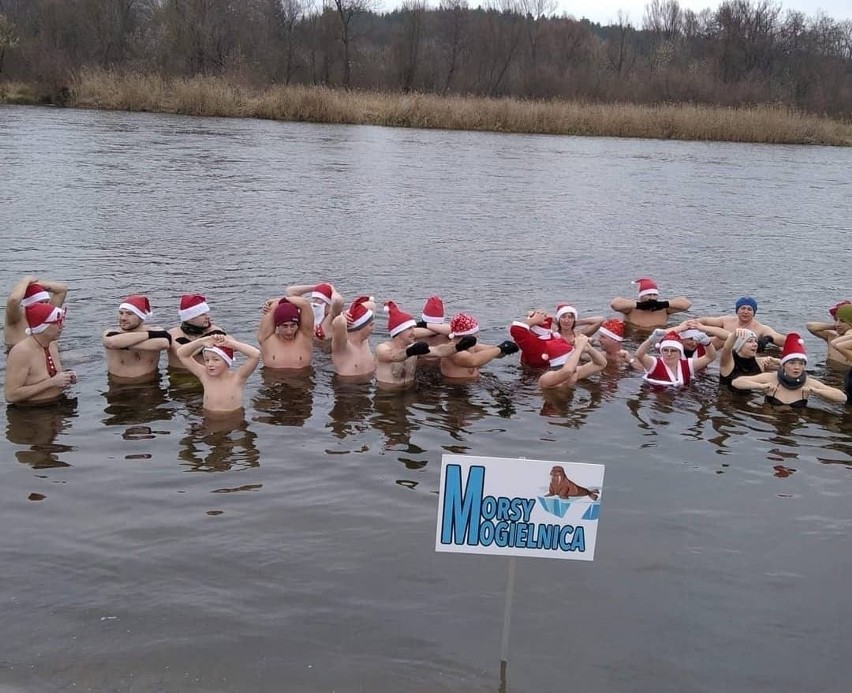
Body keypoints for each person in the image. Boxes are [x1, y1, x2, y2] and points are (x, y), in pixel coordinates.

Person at [375, 300, 474, 389]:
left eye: (413, 328)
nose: (414, 332)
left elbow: (438, 351)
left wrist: (458, 347)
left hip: (410, 393)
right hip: (387, 396)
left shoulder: (412, 347)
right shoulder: (382, 347)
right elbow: (392, 356)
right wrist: (410, 351)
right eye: (410, 329)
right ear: (398, 332)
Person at [732, 333, 847, 407]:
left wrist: (817, 391)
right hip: (771, 424)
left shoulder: (808, 383)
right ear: (783, 365)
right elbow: (736, 382)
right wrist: (761, 386)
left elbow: (842, 397)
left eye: (801, 364)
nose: (797, 367)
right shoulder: (771, 378)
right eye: (792, 363)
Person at [5, 303, 76, 405]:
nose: (62, 326)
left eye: (62, 321)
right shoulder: (21, 352)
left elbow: (51, 377)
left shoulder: (52, 344)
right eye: (57, 322)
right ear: (42, 327)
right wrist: (51, 383)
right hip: (32, 412)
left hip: (59, 404)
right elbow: (10, 395)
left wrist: (67, 377)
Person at [176, 333, 261, 414]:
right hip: (209, 419)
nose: (210, 364)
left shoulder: (237, 378)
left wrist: (230, 343)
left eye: (216, 360)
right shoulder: (204, 375)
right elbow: (181, 354)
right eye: (207, 360)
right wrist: (201, 341)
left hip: (233, 418)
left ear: (227, 361)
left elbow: (255, 355)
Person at [101, 295, 172, 382]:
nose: (123, 318)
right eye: (121, 313)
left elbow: (164, 343)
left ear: (141, 317)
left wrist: (123, 344)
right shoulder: (110, 332)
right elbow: (111, 343)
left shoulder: (156, 330)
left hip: (150, 384)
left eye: (129, 314)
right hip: (118, 385)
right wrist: (150, 335)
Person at [439, 313, 519, 380]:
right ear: (469, 335)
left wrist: (510, 347)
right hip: (455, 389)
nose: (478, 335)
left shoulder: (472, 346)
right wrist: (500, 348)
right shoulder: (451, 350)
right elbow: (472, 361)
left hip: (471, 384)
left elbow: (494, 353)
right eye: (476, 333)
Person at [633, 327, 717, 387]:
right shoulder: (654, 364)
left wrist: (708, 343)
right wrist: (651, 340)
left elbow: (710, 357)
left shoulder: (687, 365)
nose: (669, 354)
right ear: (661, 351)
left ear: (680, 353)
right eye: (665, 350)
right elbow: (639, 355)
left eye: (673, 351)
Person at [5, 275, 68, 349]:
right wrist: (26, 280)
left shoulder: (48, 315)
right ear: (29, 306)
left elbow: (62, 289)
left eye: (46, 302)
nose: (45, 306)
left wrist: (34, 285)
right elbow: (14, 300)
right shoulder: (16, 319)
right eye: (41, 302)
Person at [698, 296, 784, 351]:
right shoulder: (726, 320)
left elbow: (779, 338)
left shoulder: (761, 328)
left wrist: (769, 338)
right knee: (719, 339)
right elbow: (705, 321)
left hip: (745, 358)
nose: (745, 312)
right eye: (743, 308)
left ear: (754, 313)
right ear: (737, 310)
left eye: (749, 309)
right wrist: (691, 324)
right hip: (722, 355)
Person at [168, 294, 226, 369]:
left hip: (208, 375)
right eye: (202, 315)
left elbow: (233, 346)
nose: (207, 317)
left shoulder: (213, 330)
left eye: (206, 313)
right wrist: (204, 342)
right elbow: (182, 353)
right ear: (190, 318)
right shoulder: (174, 334)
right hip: (180, 376)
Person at [257, 295, 315, 369]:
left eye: (293, 325)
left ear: (298, 324)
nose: (289, 331)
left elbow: (305, 304)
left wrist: (282, 300)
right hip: (274, 379)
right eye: (284, 326)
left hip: (302, 379)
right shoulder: (266, 338)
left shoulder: (305, 336)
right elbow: (273, 306)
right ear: (277, 325)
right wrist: (275, 302)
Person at [609, 277, 691, 328]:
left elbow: (687, 304)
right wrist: (639, 305)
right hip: (636, 336)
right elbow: (615, 304)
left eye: (654, 295)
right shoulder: (631, 309)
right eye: (648, 295)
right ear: (641, 296)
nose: (652, 298)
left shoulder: (664, 309)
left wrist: (664, 304)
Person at [539, 334, 607, 390]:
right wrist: (579, 348)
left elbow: (601, 364)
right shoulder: (546, 378)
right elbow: (567, 371)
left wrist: (589, 349)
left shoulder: (574, 373)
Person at [331, 295, 376, 378]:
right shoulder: (343, 347)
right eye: (371, 325)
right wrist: (343, 315)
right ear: (361, 327)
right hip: (348, 387)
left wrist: (352, 311)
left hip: (369, 384)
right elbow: (338, 322)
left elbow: (372, 305)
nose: (374, 328)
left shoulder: (364, 340)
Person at [806, 300, 852, 366]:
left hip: (845, 373)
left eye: (842, 321)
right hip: (828, 371)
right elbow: (810, 326)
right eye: (836, 320)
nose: (837, 324)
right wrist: (834, 327)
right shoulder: (831, 335)